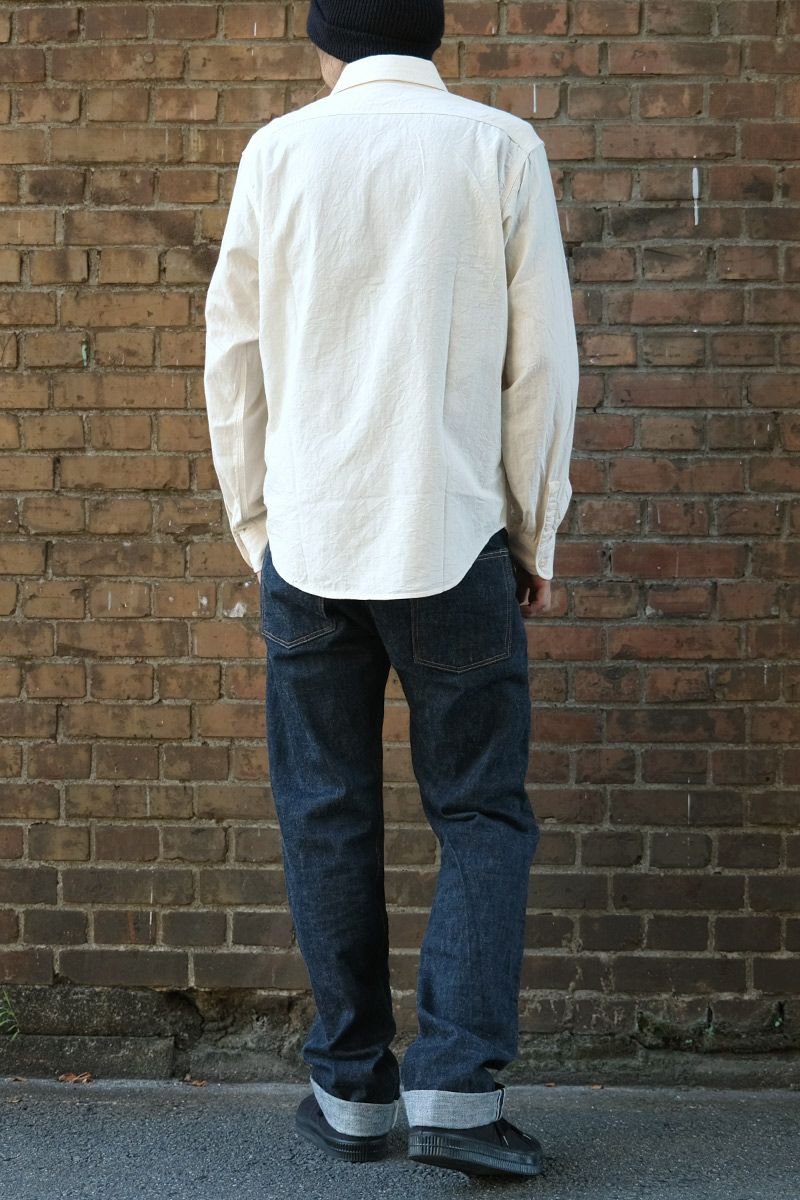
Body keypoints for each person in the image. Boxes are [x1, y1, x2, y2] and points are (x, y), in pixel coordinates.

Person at [203, 0, 579, 1179]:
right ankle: (456, 1098)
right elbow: (540, 364)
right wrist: (534, 532)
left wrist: (258, 526)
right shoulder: (498, 146)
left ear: (325, 41)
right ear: (433, 36)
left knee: (325, 811)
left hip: (310, 542)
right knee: (477, 814)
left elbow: (232, 357)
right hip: (451, 535)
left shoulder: (278, 151)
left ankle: (352, 1094)